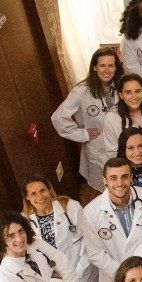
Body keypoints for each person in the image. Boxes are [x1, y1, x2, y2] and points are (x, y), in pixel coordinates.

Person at [81, 158, 142, 282]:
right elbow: (96, 254)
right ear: (104, 181)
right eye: (113, 178)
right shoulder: (90, 213)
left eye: (124, 177)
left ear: (131, 178)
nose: (119, 183)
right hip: (114, 278)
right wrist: (125, 275)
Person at [53, 47, 122, 191]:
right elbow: (58, 118)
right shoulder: (81, 91)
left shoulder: (121, 86)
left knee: (124, 185)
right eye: (102, 65)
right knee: (106, 189)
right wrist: (82, 134)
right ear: (95, 67)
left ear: (116, 67)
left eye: (111, 65)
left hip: (121, 145)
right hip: (99, 149)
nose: (106, 70)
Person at [22, 176, 98, 282]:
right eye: (33, 194)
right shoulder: (25, 222)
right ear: (27, 197)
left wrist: (76, 275)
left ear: (50, 190)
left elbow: (88, 242)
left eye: (43, 190)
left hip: (81, 274)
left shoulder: (70, 207)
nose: (40, 197)